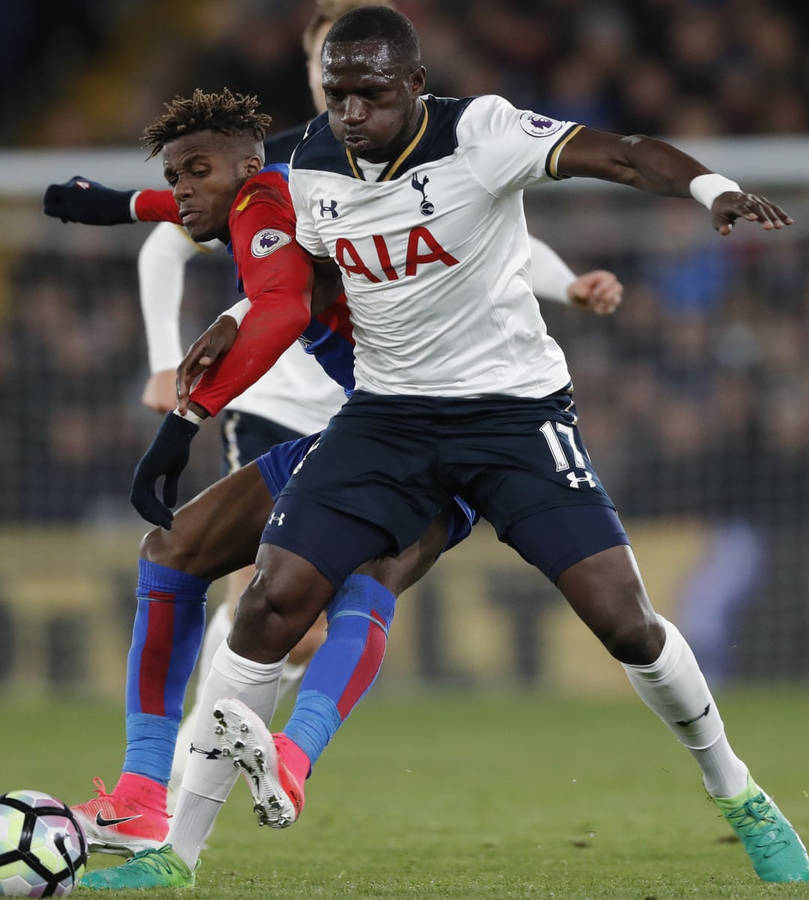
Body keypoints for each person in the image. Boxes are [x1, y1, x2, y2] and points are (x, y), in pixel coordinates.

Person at [81, 6, 809, 889]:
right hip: (387, 417)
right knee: (269, 603)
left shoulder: (484, 132)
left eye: (372, 94)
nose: (352, 113)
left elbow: (621, 152)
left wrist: (711, 189)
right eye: (339, 94)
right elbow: (291, 290)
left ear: (416, 86)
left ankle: (736, 789)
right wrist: (213, 354)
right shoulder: (305, 169)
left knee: (626, 623)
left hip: (513, 416)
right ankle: (173, 857)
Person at [42, 0, 623, 852]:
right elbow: (195, 206)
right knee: (189, 560)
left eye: (189, 174)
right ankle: (149, 793)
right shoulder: (274, 183)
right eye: (325, 73)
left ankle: (265, 766)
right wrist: (110, 207)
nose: (339, 94)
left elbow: (279, 302)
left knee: (339, 590)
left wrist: (181, 419)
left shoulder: (315, 182)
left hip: (454, 424)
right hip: (365, 429)